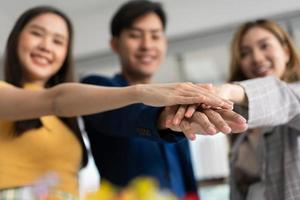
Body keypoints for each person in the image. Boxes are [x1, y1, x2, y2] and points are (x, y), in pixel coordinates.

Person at [0, 6, 231, 200]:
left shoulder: (66, 119)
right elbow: (59, 100)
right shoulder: (90, 91)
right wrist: (142, 93)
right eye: (37, 34)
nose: (46, 46)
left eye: (58, 41)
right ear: (114, 44)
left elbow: (187, 181)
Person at [81, 0, 247, 199]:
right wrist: (164, 115)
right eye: (135, 35)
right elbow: (128, 115)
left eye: (155, 36)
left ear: (164, 43)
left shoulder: (178, 104)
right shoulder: (98, 89)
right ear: (115, 44)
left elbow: (187, 179)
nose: (147, 45)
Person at [181, 19, 300, 200]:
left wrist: (229, 89)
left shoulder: (294, 95)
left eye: (264, 46)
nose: (257, 58)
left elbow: (283, 96)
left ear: (286, 52)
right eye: (245, 53)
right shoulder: (240, 120)